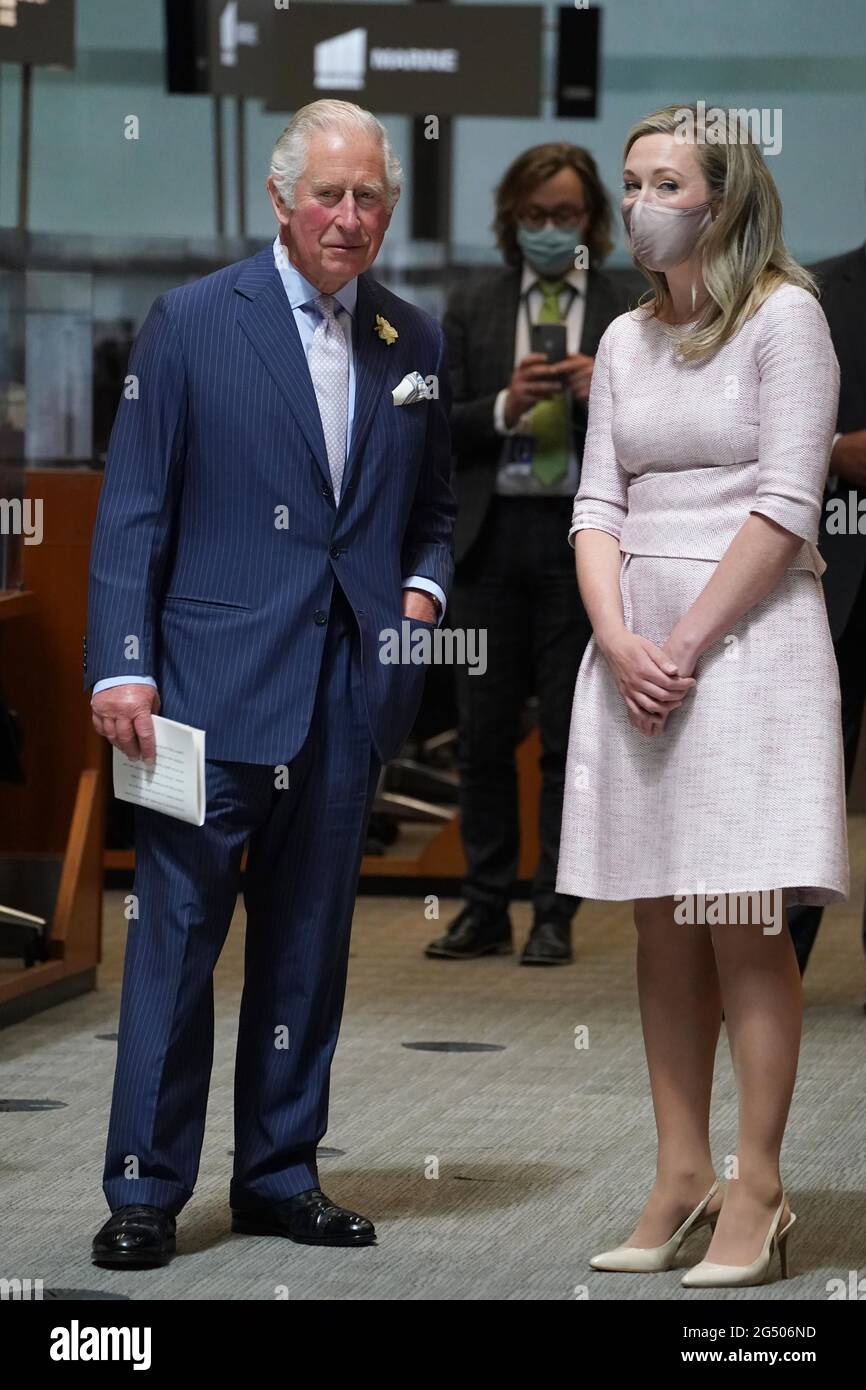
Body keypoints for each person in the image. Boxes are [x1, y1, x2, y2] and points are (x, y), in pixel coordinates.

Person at [84, 99, 457, 1267]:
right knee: (175, 943)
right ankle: (145, 1187)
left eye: (369, 200)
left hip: (346, 695)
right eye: (328, 196)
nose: (348, 219)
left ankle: (279, 1173)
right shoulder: (191, 323)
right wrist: (122, 664)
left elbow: (433, 517)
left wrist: (418, 603)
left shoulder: (416, 342)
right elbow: (135, 507)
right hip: (200, 693)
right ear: (280, 199)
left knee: (307, 947)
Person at [556, 102, 848, 1288]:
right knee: (657, 918)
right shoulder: (622, 340)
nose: (635, 204)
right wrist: (621, 639)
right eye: (628, 182)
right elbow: (594, 506)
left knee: (740, 919)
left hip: (745, 646)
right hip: (633, 655)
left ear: (719, 199)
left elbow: (785, 504)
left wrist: (678, 640)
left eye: (660, 183)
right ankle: (679, 1172)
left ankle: (757, 1183)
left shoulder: (788, 321)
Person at [427, 144, 627, 966]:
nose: (551, 230)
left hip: (586, 543)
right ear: (513, 220)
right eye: (536, 216)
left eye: (567, 216)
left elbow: (661, 429)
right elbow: (432, 424)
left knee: (568, 738)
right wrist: (505, 406)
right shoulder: (473, 303)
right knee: (480, 735)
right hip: (488, 541)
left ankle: (555, 910)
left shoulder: (629, 306)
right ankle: (483, 907)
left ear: (592, 223)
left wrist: (602, 394)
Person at [787, 230, 866, 987]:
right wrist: (837, 448)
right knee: (808, 786)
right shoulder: (812, 289)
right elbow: (765, 419)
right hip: (830, 573)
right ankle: (775, 970)